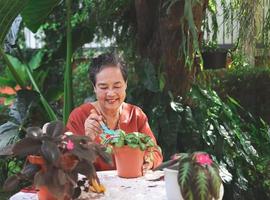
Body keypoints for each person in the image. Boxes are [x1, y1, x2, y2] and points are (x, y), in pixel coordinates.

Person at [66, 52, 163, 171]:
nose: (111, 93)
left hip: (133, 185)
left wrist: (148, 161)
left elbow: (155, 151)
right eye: (103, 87)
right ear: (94, 87)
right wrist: (86, 139)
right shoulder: (79, 116)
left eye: (117, 86)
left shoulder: (136, 115)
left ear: (126, 85)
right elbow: (66, 157)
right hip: (94, 187)